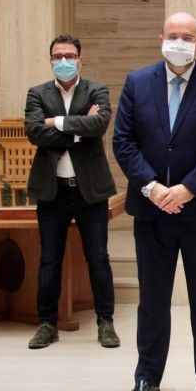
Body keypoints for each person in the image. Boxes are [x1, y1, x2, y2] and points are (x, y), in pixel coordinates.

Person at [113, 12, 196, 391]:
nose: (179, 42)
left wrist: (187, 189)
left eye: (187, 36)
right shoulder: (137, 83)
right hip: (151, 211)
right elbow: (123, 141)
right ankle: (146, 377)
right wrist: (152, 188)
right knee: (152, 300)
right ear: (161, 40)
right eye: (173, 35)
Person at [23, 34, 119, 350]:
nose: (64, 61)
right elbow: (35, 132)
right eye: (58, 56)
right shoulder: (37, 93)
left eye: (70, 55)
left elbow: (99, 125)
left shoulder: (97, 90)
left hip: (90, 190)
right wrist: (77, 129)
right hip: (53, 191)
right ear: (50, 60)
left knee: (98, 258)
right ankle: (47, 324)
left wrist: (56, 123)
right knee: (50, 260)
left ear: (80, 59)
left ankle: (106, 322)